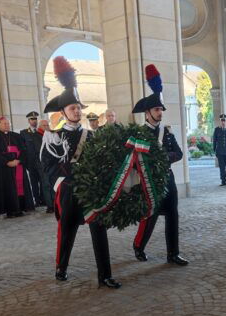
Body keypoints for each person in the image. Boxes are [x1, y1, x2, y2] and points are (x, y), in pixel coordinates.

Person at [40, 56, 119, 288]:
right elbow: (48, 166)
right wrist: (62, 185)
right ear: (63, 112)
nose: (76, 111)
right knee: (67, 231)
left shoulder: (92, 135)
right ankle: (61, 267)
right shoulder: (54, 137)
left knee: (99, 230)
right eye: (72, 108)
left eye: (78, 108)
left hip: (91, 191)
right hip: (68, 191)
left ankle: (104, 275)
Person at [132, 64, 189, 266]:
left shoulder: (167, 131)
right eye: (157, 109)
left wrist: (165, 157)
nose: (160, 112)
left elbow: (179, 153)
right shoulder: (139, 133)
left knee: (172, 215)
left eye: (161, 109)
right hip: (149, 181)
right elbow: (135, 159)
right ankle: (139, 246)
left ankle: (173, 253)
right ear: (147, 112)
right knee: (150, 216)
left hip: (168, 178)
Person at [0, 117, 35, 218]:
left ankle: (20, 208)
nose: (7, 125)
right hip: (4, 169)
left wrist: (19, 160)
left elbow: (24, 150)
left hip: (18, 166)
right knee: (8, 189)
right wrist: (7, 162)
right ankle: (10, 210)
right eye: (4, 124)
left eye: (8, 123)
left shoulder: (16, 136)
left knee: (20, 187)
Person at [20, 111, 47, 208]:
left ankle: (44, 199)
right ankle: (37, 200)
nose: (34, 121)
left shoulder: (41, 131)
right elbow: (22, 148)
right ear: (28, 121)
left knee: (43, 181)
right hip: (30, 162)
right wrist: (25, 162)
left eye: (35, 119)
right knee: (34, 181)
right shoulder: (24, 133)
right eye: (32, 119)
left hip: (41, 161)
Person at [37, 118, 55, 213]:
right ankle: (50, 205)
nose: (47, 127)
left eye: (47, 125)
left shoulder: (51, 134)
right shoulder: (36, 136)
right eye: (44, 125)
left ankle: (55, 203)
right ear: (40, 126)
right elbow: (37, 152)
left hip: (52, 164)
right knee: (46, 185)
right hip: (42, 165)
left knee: (53, 184)